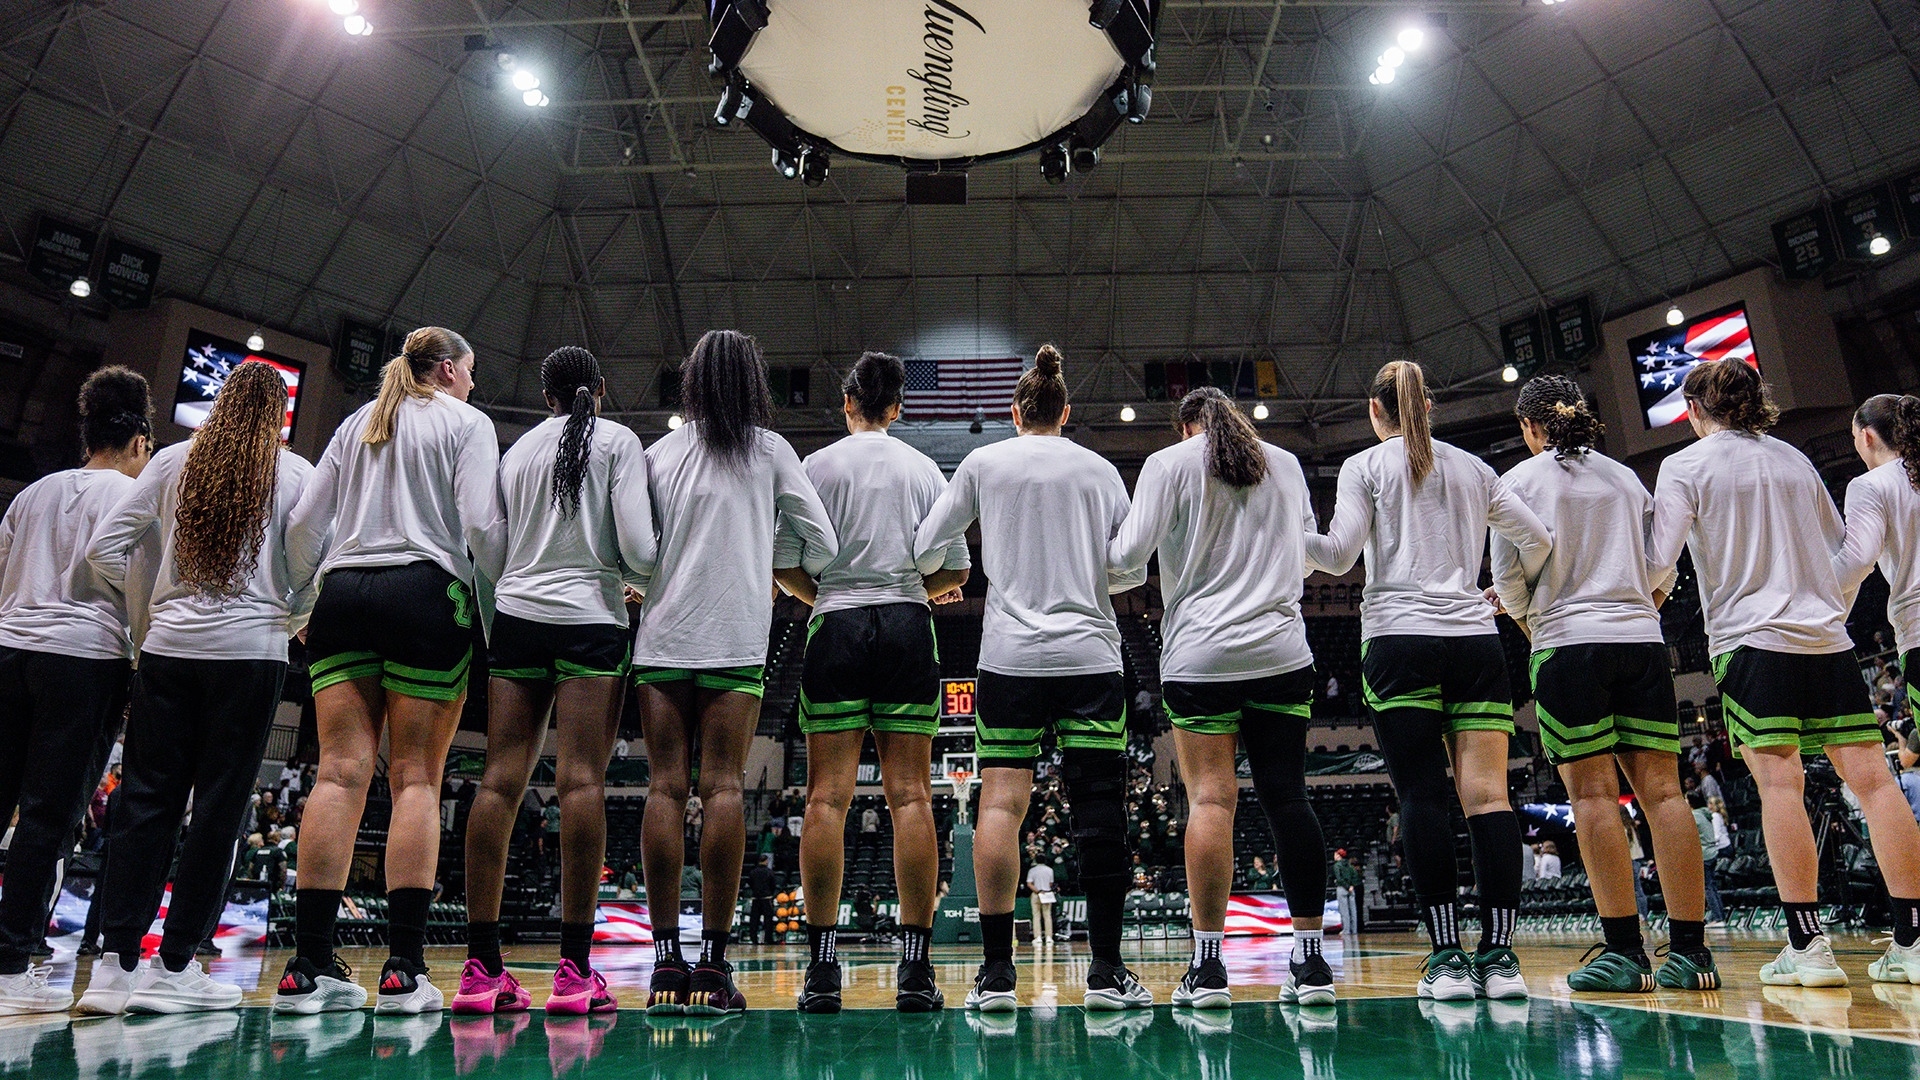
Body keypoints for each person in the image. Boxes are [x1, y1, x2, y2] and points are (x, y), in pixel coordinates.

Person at [1649, 362, 1920, 986]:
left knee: (1781, 788)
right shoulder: (1796, 459)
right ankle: (1911, 937)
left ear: (1695, 410)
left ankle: (1808, 945)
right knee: (1877, 785)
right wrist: (1827, 618)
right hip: (1825, 640)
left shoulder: (1684, 466)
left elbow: (1659, 563)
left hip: (1751, 641)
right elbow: (1842, 555)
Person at [1305, 360, 1551, 1003]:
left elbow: (1337, 556)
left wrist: (1288, 531)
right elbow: (1538, 536)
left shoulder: (1365, 467)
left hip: (1398, 639)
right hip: (1473, 640)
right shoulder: (1475, 468)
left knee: (1420, 797)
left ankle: (1445, 959)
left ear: (1374, 412)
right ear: (1429, 409)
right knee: (1490, 799)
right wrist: (1501, 594)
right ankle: (1499, 960)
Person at [915, 343, 1150, 1012]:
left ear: (1015, 413)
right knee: (1101, 812)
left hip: (1010, 658)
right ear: (1065, 412)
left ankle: (995, 977)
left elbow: (927, 545)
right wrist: (1086, 573)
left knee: (999, 807)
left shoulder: (983, 463)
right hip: (1090, 656)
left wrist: (953, 578)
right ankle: (1105, 974)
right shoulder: (1100, 470)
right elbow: (1130, 568)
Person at [277, 326, 503, 1014]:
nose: (472, 384)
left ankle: (307, 963)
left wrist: (301, 604)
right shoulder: (467, 423)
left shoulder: (358, 422)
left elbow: (301, 527)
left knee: (338, 774)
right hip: (424, 592)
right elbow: (483, 527)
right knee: (416, 780)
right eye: (469, 371)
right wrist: (493, 617)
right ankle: (404, 967)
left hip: (343, 595)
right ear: (445, 369)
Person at [78, 360, 313, 1014]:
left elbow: (105, 550)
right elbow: (314, 566)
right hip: (252, 656)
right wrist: (288, 618)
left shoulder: (170, 460)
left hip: (167, 652)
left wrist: (146, 621)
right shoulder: (297, 473)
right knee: (217, 812)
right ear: (279, 416)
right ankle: (176, 965)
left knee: (144, 804)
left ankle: (114, 968)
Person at [1487, 374, 1717, 993]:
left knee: (1592, 799)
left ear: (1530, 426)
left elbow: (1507, 579)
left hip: (1568, 642)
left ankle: (1624, 953)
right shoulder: (1623, 477)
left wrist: (1529, 618)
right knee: (1665, 797)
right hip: (1641, 641)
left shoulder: (1517, 483)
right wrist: (1647, 600)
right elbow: (1661, 559)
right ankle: (1692, 954)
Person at [631, 329, 837, 1015]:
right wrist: (768, 558)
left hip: (663, 638)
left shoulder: (658, 453)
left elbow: (633, 548)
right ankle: (714, 971)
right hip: (736, 641)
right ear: (753, 381)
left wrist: (649, 578)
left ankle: (665, 967)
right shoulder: (770, 451)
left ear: (690, 381)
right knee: (722, 788)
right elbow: (824, 542)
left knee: (663, 790)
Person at [1109, 386, 1331, 1009]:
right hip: (1283, 651)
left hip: (1201, 656)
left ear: (1186, 428)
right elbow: (1310, 557)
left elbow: (1128, 560)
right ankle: (1311, 966)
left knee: (1211, 800)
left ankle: (1208, 972)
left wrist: (1072, 568)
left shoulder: (1169, 464)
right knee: (1290, 800)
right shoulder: (1284, 464)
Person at [457, 346, 654, 1017]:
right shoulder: (620, 441)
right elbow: (638, 546)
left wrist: (513, 582)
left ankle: (482, 970)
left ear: (545, 396)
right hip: (591, 620)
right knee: (581, 783)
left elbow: (484, 536)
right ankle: (574, 974)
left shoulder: (516, 453)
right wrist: (647, 583)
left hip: (516, 617)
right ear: (599, 388)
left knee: (499, 781)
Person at [771, 352, 968, 1014]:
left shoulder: (817, 465)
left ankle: (823, 971)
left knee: (826, 798)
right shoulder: (922, 469)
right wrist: (915, 588)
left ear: (848, 402)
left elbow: (784, 565)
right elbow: (957, 570)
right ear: (898, 408)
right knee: (910, 797)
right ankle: (914, 971)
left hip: (839, 623)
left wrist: (824, 592)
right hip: (909, 623)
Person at [0, 367, 151, 1015]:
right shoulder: (132, 498)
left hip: (9, 651)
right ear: (141, 440)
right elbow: (138, 586)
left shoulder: (32, 494)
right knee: (47, 818)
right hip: (84, 661)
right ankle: (9, 966)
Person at [1831, 391, 1920, 979]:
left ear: (1866, 436)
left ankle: (1913, 941)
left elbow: (1855, 559)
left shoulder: (1873, 485)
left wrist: (1820, 611)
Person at [1686, 792, 1726, 924]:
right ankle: (1720, 917)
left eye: (1686, 799)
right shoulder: (1705, 813)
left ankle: (1718, 919)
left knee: (1708, 889)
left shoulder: (1694, 816)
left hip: (1705, 855)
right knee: (1712, 887)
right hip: (1713, 853)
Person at [748, 855, 778, 945]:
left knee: (754, 919)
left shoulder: (753, 872)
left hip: (756, 898)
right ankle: (768, 939)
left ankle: (753, 939)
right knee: (768, 919)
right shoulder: (769, 872)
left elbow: (750, 883)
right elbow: (773, 884)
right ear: (766, 861)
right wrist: (770, 893)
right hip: (766, 898)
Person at [1027, 859, 1057, 945]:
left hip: (1037, 893)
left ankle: (1038, 937)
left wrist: (1037, 891)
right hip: (1047, 894)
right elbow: (1051, 883)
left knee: (1036, 916)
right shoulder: (1050, 870)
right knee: (1047, 915)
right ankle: (1049, 937)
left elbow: (1029, 883)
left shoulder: (1032, 870)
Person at [1332, 850, 1362, 937]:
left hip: (1342, 888)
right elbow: (1355, 875)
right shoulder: (1349, 865)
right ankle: (1354, 930)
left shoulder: (1337, 865)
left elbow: (1339, 878)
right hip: (1351, 889)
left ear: (1338, 856)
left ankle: (1346, 930)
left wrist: (1347, 886)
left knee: (1344, 911)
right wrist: (1351, 885)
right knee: (1353, 911)